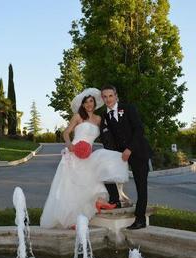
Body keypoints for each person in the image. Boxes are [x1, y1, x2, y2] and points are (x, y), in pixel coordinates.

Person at [40, 88, 129, 229]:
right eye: (86, 102)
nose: (89, 104)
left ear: (94, 103)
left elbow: (109, 133)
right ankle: (72, 220)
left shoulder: (99, 119)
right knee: (72, 188)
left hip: (88, 154)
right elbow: (66, 133)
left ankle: (96, 204)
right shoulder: (77, 117)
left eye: (91, 101)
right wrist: (69, 145)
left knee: (95, 177)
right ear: (82, 104)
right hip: (74, 153)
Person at [100, 85, 152, 230]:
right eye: (105, 96)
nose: (108, 99)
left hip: (138, 151)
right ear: (102, 99)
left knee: (141, 186)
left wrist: (130, 148)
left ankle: (140, 219)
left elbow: (139, 129)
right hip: (120, 155)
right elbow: (108, 138)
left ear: (116, 96)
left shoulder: (129, 108)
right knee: (104, 172)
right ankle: (115, 200)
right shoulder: (105, 116)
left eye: (110, 96)